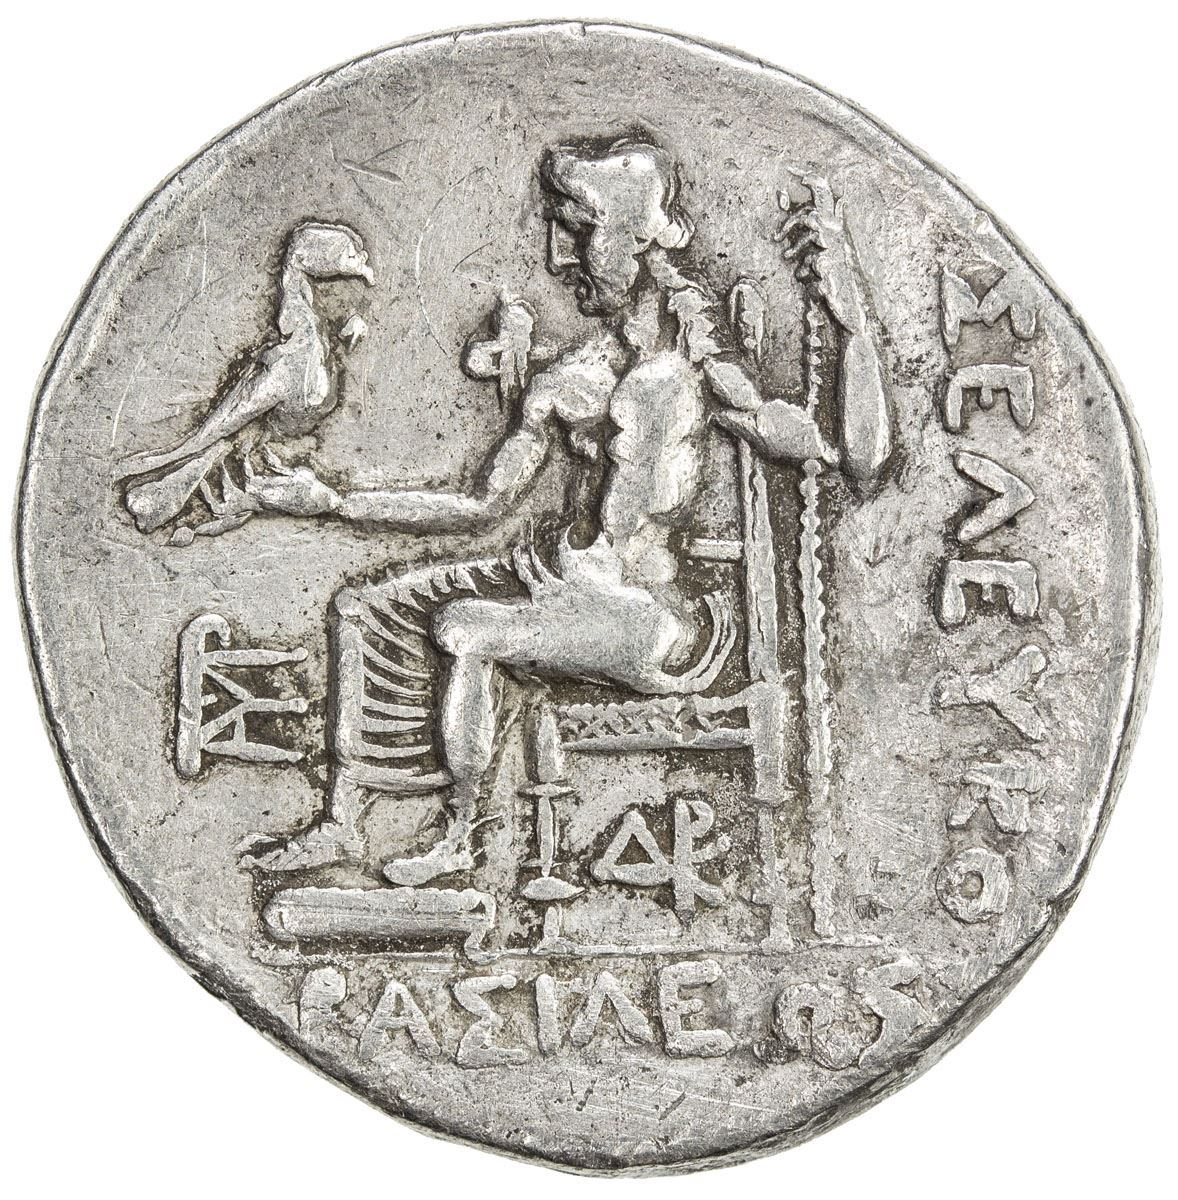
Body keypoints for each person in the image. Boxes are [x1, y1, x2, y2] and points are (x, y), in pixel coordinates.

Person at [242, 138, 889, 881]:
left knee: (464, 630)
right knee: (367, 606)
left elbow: (859, 460)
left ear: (634, 237)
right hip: (557, 580)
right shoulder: (572, 377)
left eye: (578, 230)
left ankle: (461, 837)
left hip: (650, 617)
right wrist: (334, 501)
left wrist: (852, 326)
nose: (557, 255)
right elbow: (481, 503)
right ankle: (343, 822)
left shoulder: (695, 372)